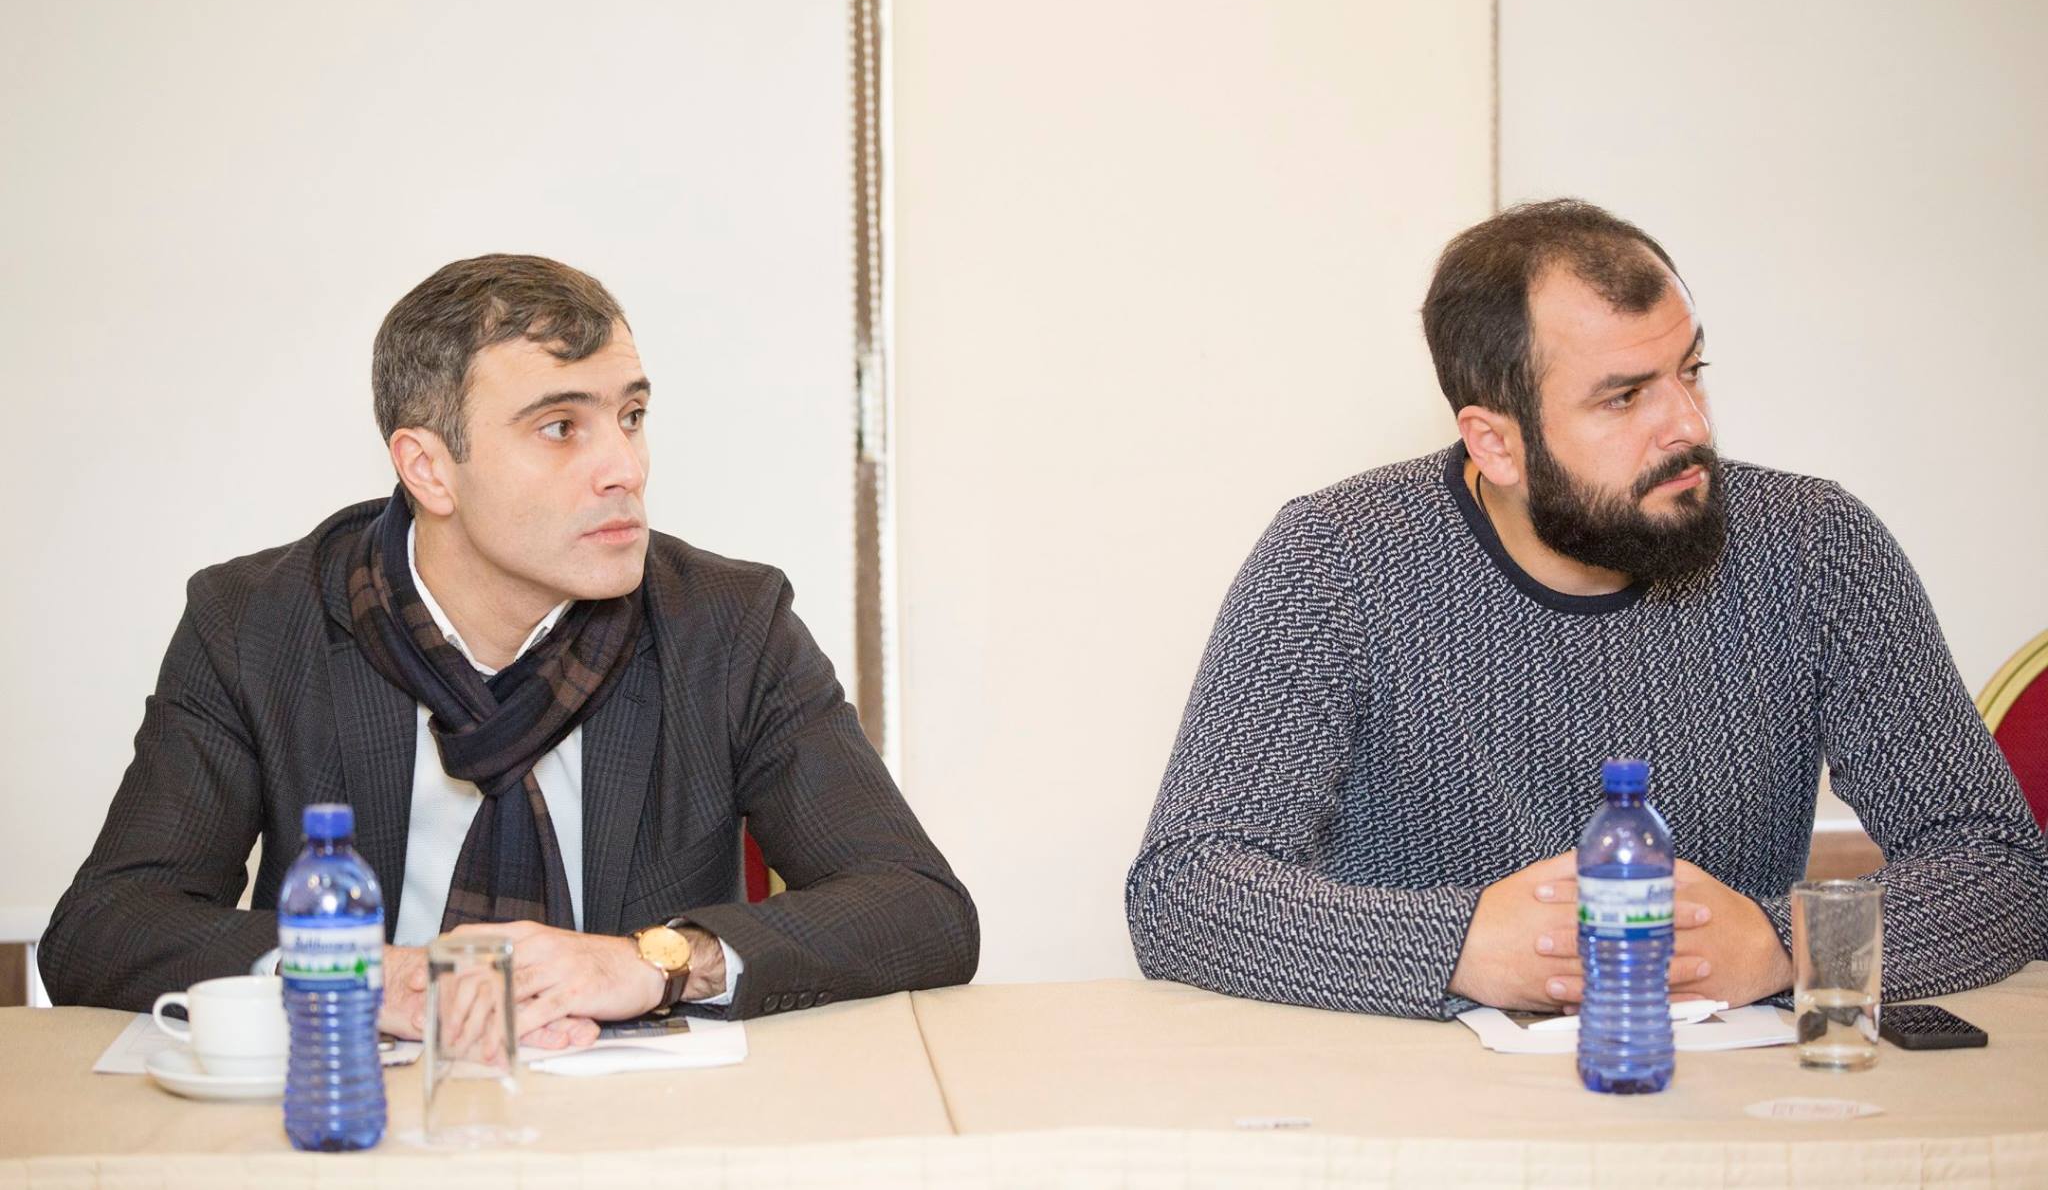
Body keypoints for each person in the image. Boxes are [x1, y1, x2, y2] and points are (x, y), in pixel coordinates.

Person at [1125, 200, 2048, 1019]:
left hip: (1720, 1102)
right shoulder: (1337, 557)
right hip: (1420, 1103)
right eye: (1625, 397)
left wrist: (1786, 945)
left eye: (1691, 370)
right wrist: (1458, 946)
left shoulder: (1813, 546)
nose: (1689, 424)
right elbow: (1185, 888)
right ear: (1495, 444)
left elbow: (2003, 867)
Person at [43, 255, 977, 1044]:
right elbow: (104, 927)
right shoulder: (256, 625)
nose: (625, 468)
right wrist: (371, 978)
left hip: (648, 1137)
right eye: (561, 427)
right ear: (428, 468)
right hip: (360, 1129)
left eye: (632, 416)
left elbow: (919, 906)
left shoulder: (728, 626)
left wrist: (653, 961)